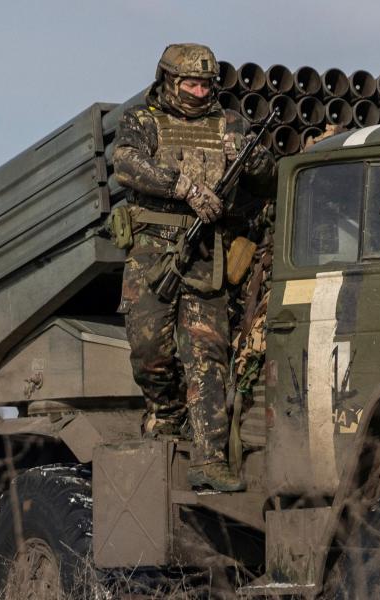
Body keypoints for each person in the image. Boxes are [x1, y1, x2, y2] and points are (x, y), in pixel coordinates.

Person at [112, 43, 275, 492]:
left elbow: (267, 179)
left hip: (208, 254)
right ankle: (164, 415)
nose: (200, 92)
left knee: (208, 357)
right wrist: (182, 186)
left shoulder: (229, 123)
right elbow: (126, 164)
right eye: (191, 83)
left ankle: (209, 458)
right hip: (152, 252)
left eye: (206, 84)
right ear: (168, 80)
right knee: (149, 351)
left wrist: (252, 157)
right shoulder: (142, 119)